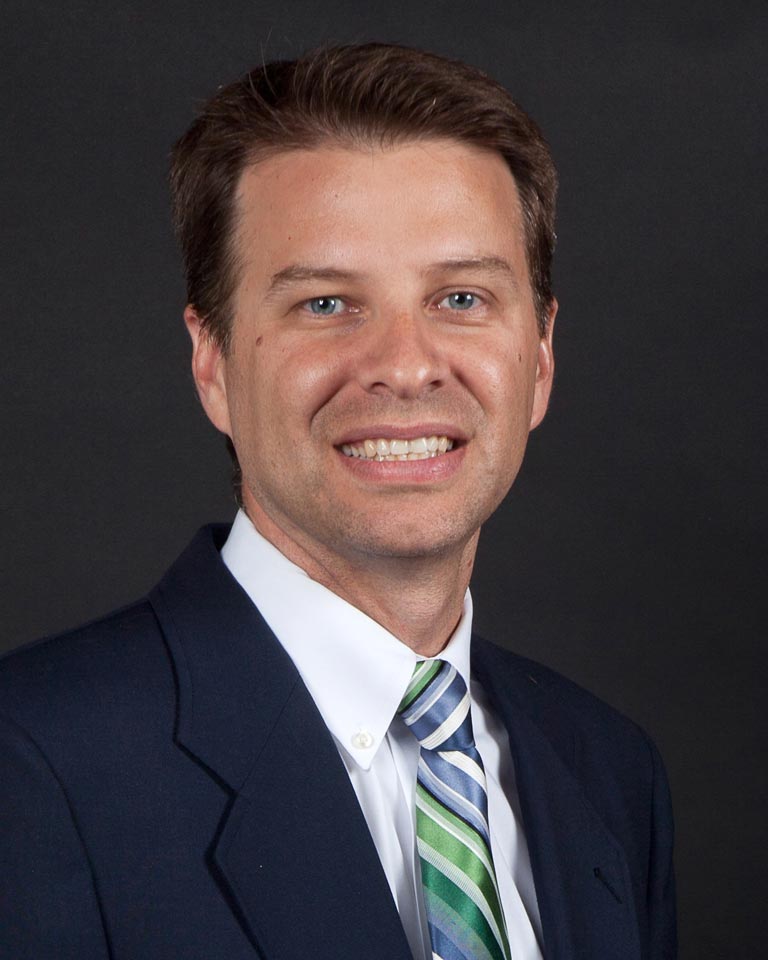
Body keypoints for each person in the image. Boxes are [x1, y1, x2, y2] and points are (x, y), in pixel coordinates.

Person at [0, 44, 676, 960]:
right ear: (213, 365)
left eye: (463, 296)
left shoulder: (607, 771)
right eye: (326, 304)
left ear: (542, 357)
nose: (404, 365)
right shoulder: (32, 767)